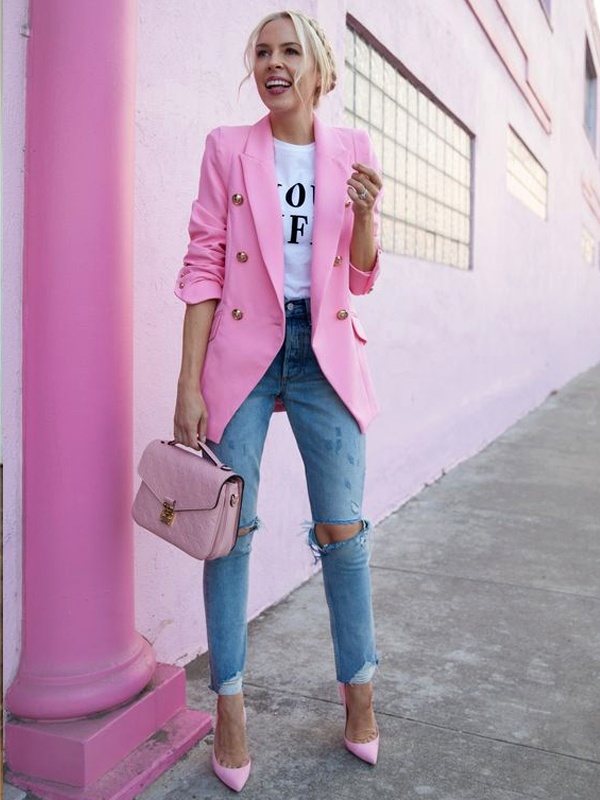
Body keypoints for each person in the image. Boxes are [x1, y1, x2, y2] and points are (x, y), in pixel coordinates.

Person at [173, 10, 383, 792]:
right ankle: (229, 709)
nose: (273, 63)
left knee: (343, 530)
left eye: (290, 50)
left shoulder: (353, 148)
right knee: (229, 532)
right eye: (262, 52)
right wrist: (187, 382)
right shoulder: (228, 148)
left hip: (325, 351)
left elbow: (360, 276)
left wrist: (368, 214)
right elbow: (204, 265)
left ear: (318, 70)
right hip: (243, 352)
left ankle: (360, 695)